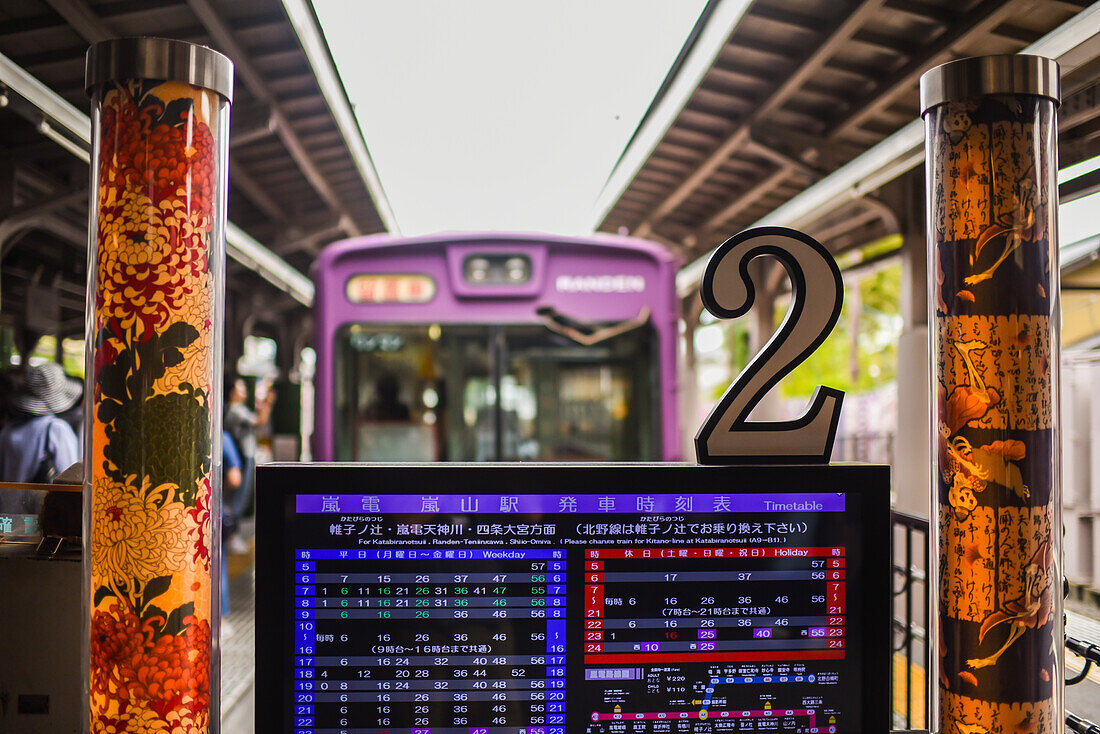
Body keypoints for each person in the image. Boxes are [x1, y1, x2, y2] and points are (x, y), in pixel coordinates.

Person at [0, 362, 82, 514]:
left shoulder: (8, 431)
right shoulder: (55, 429)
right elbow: (72, 479)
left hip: (8, 518)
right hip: (39, 519)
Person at [223, 376, 273, 550]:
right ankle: (231, 534)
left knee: (237, 497)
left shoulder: (233, 410)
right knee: (239, 497)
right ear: (231, 393)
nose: (244, 392)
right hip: (243, 456)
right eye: (240, 388)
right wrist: (267, 402)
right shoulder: (237, 410)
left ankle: (231, 533)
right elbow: (260, 421)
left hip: (240, 456)